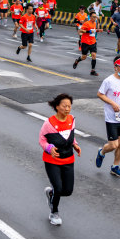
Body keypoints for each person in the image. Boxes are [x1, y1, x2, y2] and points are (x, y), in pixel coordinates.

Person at [39, 93, 81, 226]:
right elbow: (42, 140)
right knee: (58, 187)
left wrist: (75, 144)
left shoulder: (71, 120)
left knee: (67, 191)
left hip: (68, 159)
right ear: (57, 107)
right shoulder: (49, 123)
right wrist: (49, 148)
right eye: (64, 106)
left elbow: (70, 135)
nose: (67, 108)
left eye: (69, 106)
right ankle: (54, 212)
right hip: (52, 160)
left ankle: (51, 194)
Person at [95, 57, 120, 178]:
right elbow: (100, 94)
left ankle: (115, 167)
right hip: (112, 118)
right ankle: (101, 152)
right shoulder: (108, 81)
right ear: (115, 67)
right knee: (113, 145)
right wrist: (112, 103)